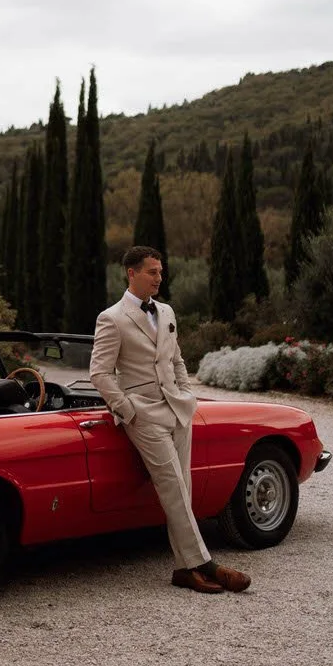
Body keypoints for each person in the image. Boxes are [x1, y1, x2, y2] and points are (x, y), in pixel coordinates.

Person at [89, 245, 251, 595]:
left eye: (161, 272)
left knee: (184, 488)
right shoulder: (112, 318)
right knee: (173, 487)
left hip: (178, 409)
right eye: (152, 272)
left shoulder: (166, 311)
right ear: (131, 274)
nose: (159, 278)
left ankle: (183, 569)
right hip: (142, 413)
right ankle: (206, 564)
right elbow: (99, 373)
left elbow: (176, 360)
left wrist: (186, 394)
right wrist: (127, 409)